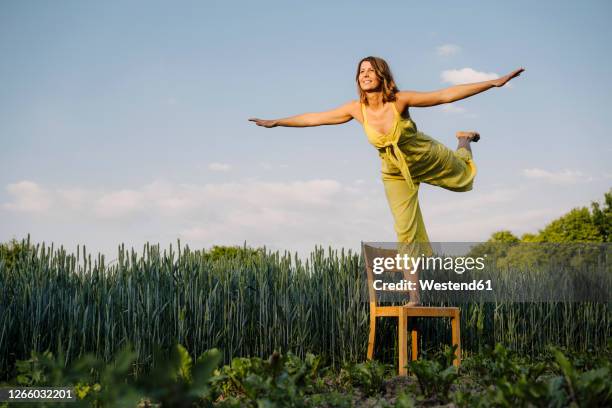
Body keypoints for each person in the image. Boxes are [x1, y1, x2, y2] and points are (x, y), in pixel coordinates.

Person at [249, 56, 524, 305]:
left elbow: (444, 95)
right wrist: (277, 122)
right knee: (405, 230)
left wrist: (493, 83)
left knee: (464, 181)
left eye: (370, 70)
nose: (364, 75)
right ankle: (414, 296)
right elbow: (314, 118)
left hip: (426, 158)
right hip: (394, 172)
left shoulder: (399, 101)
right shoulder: (356, 110)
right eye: (361, 72)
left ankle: (463, 140)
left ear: (382, 75)